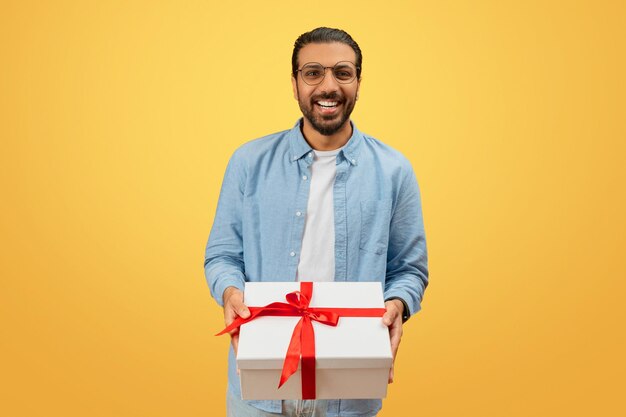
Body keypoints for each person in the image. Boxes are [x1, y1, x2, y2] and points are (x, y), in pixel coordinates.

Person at [205, 27, 428, 417]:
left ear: (358, 83)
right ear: (294, 84)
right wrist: (229, 293)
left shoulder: (395, 171)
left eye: (343, 73)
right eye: (313, 73)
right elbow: (222, 255)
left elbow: (409, 270)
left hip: (350, 393)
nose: (329, 86)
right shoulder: (248, 162)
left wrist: (398, 304)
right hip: (258, 390)